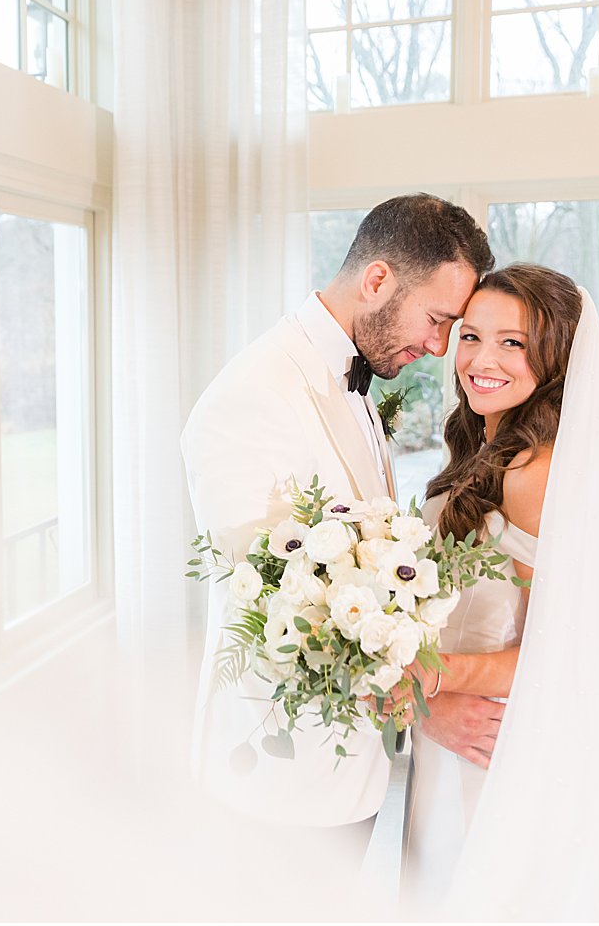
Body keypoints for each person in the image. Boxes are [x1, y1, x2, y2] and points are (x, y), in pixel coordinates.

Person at [180, 193, 495, 829]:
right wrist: (425, 708)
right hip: (274, 786)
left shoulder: (350, 373)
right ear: (377, 280)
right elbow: (277, 611)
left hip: (347, 773)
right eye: (436, 319)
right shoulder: (255, 397)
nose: (439, 348)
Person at [398, 263, 599, 920]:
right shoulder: (482, 445)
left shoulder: (534, 470)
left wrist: (425, 676)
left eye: (513, 342)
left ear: (556, 355)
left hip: (492, 735)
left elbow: (557, 647)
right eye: (471, 335)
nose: (482, 358)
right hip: (447, 722)